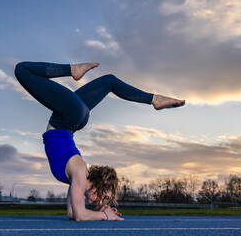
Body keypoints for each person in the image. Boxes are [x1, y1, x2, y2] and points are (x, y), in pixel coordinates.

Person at [14, 61, 185, 221]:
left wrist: (102, 212)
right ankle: (153, 99)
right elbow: (80, 215)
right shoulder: (80, 173)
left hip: (72, 119)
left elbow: (73, 214)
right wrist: (104, 215)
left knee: (109, 81)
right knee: (22, 70)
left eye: (104, 200)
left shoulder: (78, 179)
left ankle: (155, 99)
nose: (100, 202)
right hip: (68, 117)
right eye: (104, 197)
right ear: (97, 185)